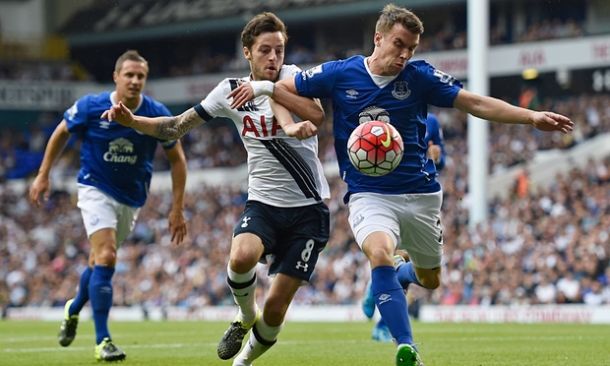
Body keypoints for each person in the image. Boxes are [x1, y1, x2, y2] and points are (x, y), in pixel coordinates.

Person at [228, 4, 573, 365]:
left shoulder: (419, 77)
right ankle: (407, 347)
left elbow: (473, 102)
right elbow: (282, 86)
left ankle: (403, 275)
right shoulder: (340, 73)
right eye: (398, 44)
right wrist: (268, 93)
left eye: (411, 47)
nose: (404, 54)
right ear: (378, 38)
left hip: (421, 196)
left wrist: (530, 116)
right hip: (369, 194)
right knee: (379, 253)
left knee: (431, 279)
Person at [102, 13, 330, 366]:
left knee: (277, 306)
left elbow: (316, 117)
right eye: (265, 50)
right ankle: (243, 314)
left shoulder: (294, 78)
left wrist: (269, 88)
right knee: (241, 257)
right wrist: (132, 122)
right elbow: (175, 127)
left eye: (279, 50)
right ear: (247, 53)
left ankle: (244, 361)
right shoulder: (228, 91)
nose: (274, 58)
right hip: (264, 202)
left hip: (309, 210)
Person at [29, 50, 188, 362]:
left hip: (131, 198)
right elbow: (61, 132)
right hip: (94, 187)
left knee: (97, 264)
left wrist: (177, 208)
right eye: (128, 74)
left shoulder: (156, 112)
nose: (134, 81)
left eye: (140, 76)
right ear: (116, 76)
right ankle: (103, 342)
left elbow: (177, 160)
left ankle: (73, 308)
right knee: (107, 256)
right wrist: (43, 174)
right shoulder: (91, 106)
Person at [362, 112, 446, 343]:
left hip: (421, 198)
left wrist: (437, 157)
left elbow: (441, 160)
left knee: (427, 277)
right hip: (384, 198)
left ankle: (385, 284)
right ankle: (386, 328)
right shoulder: (378, 116)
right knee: (389, 255)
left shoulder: (431, 121)